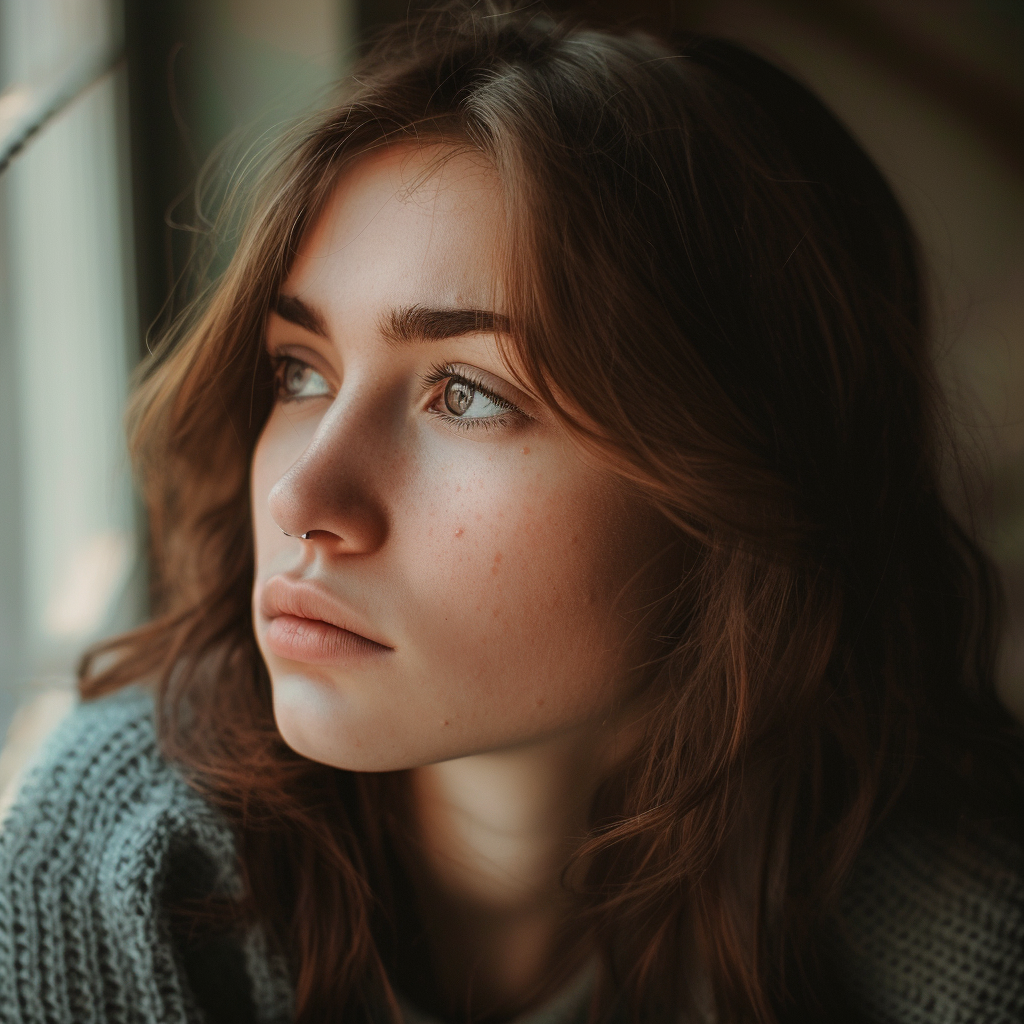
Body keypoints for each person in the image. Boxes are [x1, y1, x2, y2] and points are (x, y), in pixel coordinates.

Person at [1, 3, 1022, 1022]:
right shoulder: (115, 870)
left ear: (733, 491)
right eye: (298, 371)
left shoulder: (961, 910)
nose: (299, 497)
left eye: (468, 394)